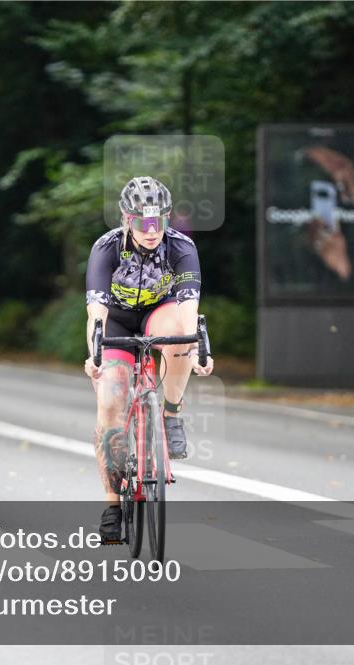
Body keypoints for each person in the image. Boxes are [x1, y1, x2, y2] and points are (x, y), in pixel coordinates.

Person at [84, 176, 213, 541]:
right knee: (110, 404)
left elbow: (188, 307)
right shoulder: (106, 247)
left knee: (180, 335)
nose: (152, 230)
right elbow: (96, 312)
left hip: (160, 314)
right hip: (117, 320)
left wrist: (196, 348)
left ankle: (171, 413)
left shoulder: (181, 246)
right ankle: (112, 506)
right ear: (128, 219)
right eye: (143, 222)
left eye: (159, 220)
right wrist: (95, 354)